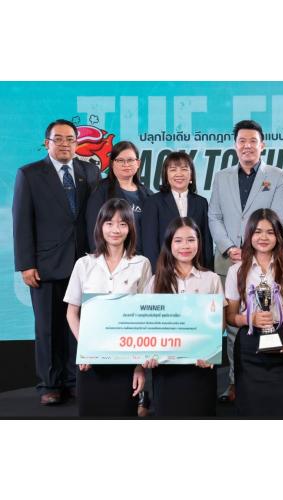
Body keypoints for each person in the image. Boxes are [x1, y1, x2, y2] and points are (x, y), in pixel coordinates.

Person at [12, 118, 100, 405]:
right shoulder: (29, 174)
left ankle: (76, 379)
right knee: (48, 328)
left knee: (79, 325)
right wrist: (26, 264)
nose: (65, 144)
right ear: (46, 142)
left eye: (70, 139)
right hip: (45, 265)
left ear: (77, 143)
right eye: (58, 139)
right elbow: (21, 221)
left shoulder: (90, 171)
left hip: (84, 263)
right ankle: (50, 384)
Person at [208, 119, 283, 402]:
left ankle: (262, 379)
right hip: (228, 260)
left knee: (267, 317)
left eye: (253, 141)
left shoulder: (277, 176)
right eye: (242, 141)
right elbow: (214, 216)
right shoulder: (222, 177)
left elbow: (276, 218)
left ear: (262, 145)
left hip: (264, 259)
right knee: (233, 324)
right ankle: (234, 381)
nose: (247, 146)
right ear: (235, 145)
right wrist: (230, 247)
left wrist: (251, 250)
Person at [64, 198, 151, 416]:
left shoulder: (141, 264)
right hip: (91, 361)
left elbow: (145, 316)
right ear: (100, 226)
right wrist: (86, 348)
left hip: (126, 360)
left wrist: (139, 365)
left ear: (130, 228)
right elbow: (71, 313)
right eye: (109, 223)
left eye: (122, 224)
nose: (115, 230)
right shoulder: (84, 264)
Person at [225, 208, 283, 417]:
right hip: (249, 346)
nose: (263, 237)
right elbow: (230, 317)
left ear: (278, 236)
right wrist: (249, 319)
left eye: (270, 232)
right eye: (258, 231)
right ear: (249, 234)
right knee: (250, 409)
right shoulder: (236, 270)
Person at [143, 217, 225, 417]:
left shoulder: (211, 279)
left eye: (191, 240)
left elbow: (220, 322)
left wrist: (210, 350)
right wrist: (149, 352)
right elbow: (147, 323)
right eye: (178, 240)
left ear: (199, 242)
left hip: (201, 365)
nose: (185, 246)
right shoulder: (155, 281)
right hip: (166, 369)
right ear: (169, 244)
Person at [142, 151, 213, 272]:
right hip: (164, 269)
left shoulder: (201, 202)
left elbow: (206, 242)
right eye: (173, 169)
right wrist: (157, 273)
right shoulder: (153, 202)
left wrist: (206, 271)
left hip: (195, 270)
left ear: (191, 174)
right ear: (166, 175)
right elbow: (149, 243)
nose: (179, 174)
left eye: (184, 169)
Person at [86, 141, 152, 255]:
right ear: (112, 163)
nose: (126, 164)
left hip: (141, 259)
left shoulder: (148, 194)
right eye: (120, 160)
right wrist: (100, 257)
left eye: (130, 160)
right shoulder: (100, 191)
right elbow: (93, 228)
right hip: (110, 257)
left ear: (138, 163)